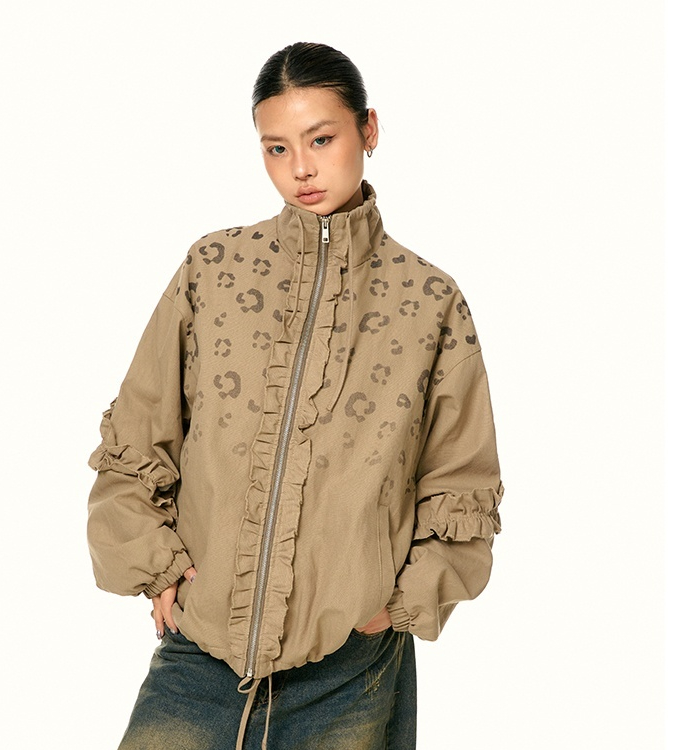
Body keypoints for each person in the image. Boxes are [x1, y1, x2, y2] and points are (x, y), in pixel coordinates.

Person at [86, 41, 504, 750]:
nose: (300, 168)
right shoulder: (213, 269)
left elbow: (462, 479)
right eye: (276, 148)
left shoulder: (429, 301)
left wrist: (396, 605)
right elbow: (137, 432)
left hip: (350, 669)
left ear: (369, 130)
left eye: (321, 139)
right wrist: (156, 566)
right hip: (199, 656)